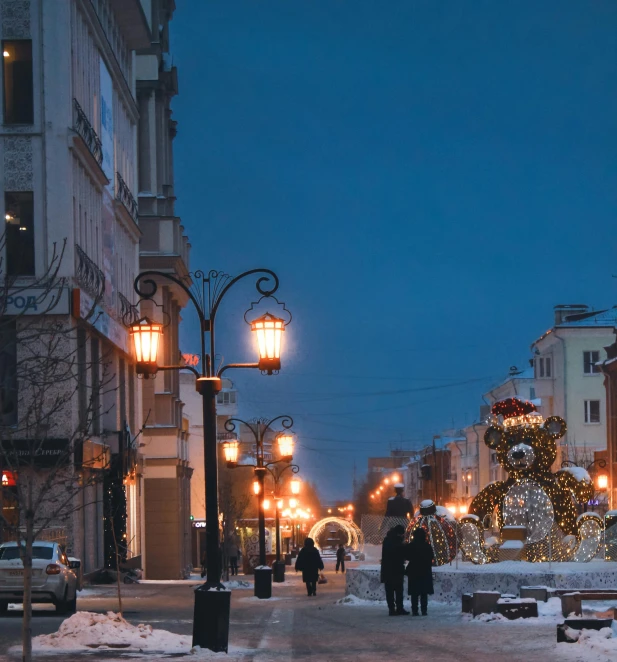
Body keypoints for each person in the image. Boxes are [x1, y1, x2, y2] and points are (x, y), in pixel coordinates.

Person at [404, 527, 434, 616]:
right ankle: (424, 610)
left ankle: (415, 610)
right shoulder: (427, 546)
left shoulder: (411, 545)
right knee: (424, 593)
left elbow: (407, 556)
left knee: (414, 593)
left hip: (414, 571)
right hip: (425, 571)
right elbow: (431, 557)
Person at [380, 524, 409, 616]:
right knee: (398, 590)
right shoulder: (396, 542)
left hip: (388, 570)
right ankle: (397, 608)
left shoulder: (387, 540)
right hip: (395, 569)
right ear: (399, 534)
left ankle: (392, 609)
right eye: (402, 534)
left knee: (390, 591)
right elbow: (398, 554)